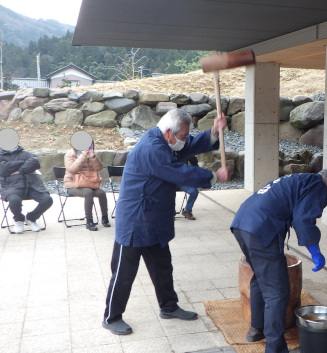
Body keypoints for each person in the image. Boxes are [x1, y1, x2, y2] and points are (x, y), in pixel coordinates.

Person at [102, 109, 230, 335]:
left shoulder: (167, 142)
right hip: (134, 220)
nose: (184, 141)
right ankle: (111, 318)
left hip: (154, 220)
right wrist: (213, 176)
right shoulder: (151, 149)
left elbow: (189, 145)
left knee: (162, 267)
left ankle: (169, 306)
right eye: (181, 136)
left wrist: (213, 132)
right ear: (169, 133)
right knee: (123, 272)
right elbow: (179, 173)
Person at [231, 168, 327, 353]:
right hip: (261, 228)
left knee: (260, 276)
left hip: (243, 224)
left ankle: (257, 329)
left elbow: (294, 211)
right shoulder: (318, 187)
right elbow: (303, 220)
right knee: (277, 293)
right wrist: (315, 250)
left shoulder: (303, 179)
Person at [0, 143, 53, 234]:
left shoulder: (26, 154)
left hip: (31, 185)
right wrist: (23, 162)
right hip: (11, 187)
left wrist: (20, 170)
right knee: (14, 200)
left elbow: (35, 162)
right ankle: (19, 220)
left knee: (47, 199)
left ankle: (31, 218)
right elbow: (3, 169)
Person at [64, 142, 110, 231]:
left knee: (101, 193)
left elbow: (99, 168)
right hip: (72, 185)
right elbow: (72, 169)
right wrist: (82, 156)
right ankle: (89, 220)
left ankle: (105, 217)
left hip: (88, 183)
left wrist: (93, 157)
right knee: (88, 192)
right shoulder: (69, 155)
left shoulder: (91, 154)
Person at [176, 155, 200, 220]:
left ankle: (187, 210)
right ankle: (170, 211)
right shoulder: (164, 150)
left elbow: (194, 162)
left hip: (182, 181)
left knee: (194, 191)